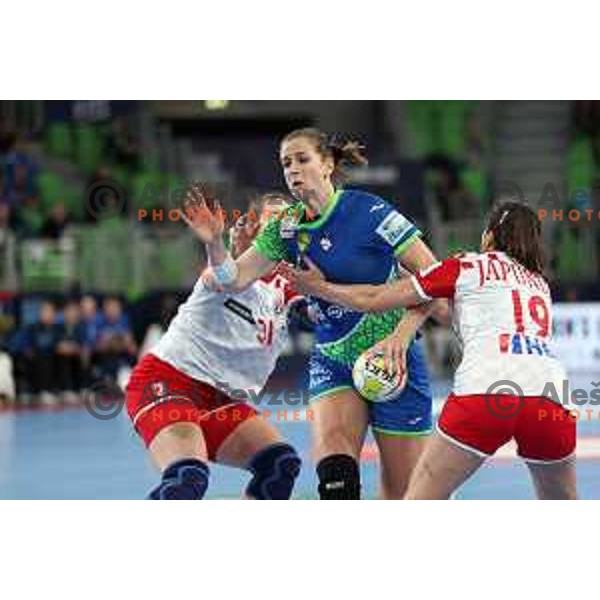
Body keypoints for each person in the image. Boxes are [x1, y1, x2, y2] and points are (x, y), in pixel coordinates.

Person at [187, 127, 449, 499]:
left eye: (302, 159)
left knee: (404, 493)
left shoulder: (370, 211)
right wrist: (214, 243)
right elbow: (235, 278)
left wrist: (401, 335)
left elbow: (434, 276)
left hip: (393, 357)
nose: (293, 169)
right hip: (334, 358)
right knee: (336, 482)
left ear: (327, 165)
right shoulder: (285, 227)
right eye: (286, 163)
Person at [286, 201, 576, 500]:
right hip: (551, 396)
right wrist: (404, 332)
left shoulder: (467, 265)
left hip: (487, 391)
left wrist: (321, 289)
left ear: (488, 237)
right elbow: (450, 310)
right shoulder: (539, 284)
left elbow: (374, 298)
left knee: (420, 499)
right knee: (561, 502)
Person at [125, 194, 302, 500]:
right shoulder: (226, 273)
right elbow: (225, 275)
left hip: (220, 400)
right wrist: (214, 243)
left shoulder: (288, 287)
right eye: (272, 219)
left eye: (289, 220)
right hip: (167, 382)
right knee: (187, 478)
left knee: (279, 464)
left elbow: (320, 308)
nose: (283, 227)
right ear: (251, 228)